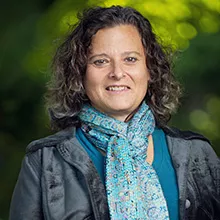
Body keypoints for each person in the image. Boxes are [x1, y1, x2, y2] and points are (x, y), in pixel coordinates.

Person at [10, 5, 220, 220]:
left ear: (150, 70)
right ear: (80, 74)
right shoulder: (44, 162)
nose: (117, 73)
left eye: (130, 59)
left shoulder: (198, 155)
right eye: (100, 61)